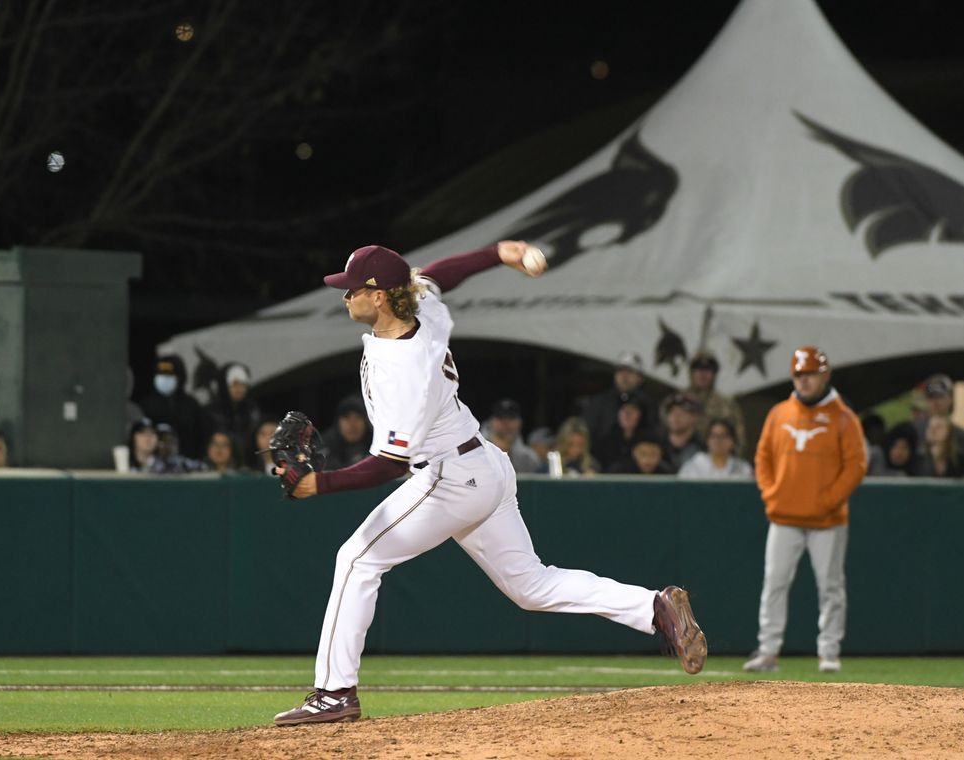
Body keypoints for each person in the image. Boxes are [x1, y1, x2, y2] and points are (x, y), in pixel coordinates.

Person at [272, 242, 706, 726]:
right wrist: (501, 251)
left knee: (356, 559)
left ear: (378, 296)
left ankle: (334, 693)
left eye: (351, 288)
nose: (343, 295)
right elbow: (440, 274)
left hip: (449, 477)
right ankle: (653, 606)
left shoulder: (406, 367)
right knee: (532, 585)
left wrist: (319, 484)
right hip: (484, 464)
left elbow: (390, 465)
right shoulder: (421, 306)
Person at [744, 346, 866, 675]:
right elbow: (762, 458)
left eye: (810, 374)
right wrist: (771, 494)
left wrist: (828, 501)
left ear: (825, 375)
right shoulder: (779, 413)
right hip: (784, 517)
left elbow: (856, 465)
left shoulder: (843, 417)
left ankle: (829, 651)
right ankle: (768, 650)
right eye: (799, 374)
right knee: (774, 583)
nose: (804, 380)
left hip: (827, 521)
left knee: (830, 586)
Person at [140, 355, 210, 459]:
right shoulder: (147, 405)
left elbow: (201, 437)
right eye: (160, 374)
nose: (164, 378)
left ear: (180, 377)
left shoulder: (191, 405)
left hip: (188, 464)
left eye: (169, 375)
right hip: (155, 466)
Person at [582, 351, 650, 445]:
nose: (624, 376)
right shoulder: (599, 402)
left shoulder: (648, 405)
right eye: (621, 370)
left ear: (640, 378)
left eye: (630, 371)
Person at [913, 374, 964, 469]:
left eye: (940, 396)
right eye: (931, 397)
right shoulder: (914, 433)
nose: (935, 402)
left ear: (951, 399)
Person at [685, 352, 747, 455]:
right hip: (685, 461)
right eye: (698, 369)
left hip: (719, 460)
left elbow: (739, 437)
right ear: (691, 373)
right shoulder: (677, 402)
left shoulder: (727, 404)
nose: (703, 374)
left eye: (708, 370)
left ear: (714, 375)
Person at [593, 392, 655, 472]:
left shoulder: (650, 440)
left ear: (640, 415)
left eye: (632, 411)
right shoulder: (605, 441)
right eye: (624, 410)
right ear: (618, 414)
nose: (627, 415)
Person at [678, 418, 753, 480]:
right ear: (707, 440)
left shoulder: (743, 468)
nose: (718, 441)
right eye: (713, 436)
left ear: (732, 441)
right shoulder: (695, 465)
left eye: (723, 436)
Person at [208, 363, 264, 445]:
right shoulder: (213, 414)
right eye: (234, 384)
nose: (239, 389)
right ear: (224, 385)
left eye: (243, 384)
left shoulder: (252, 410)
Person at [480, 399, 540, 474]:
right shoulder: (475, 450)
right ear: (491, 422)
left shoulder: (529, 458)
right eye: (500, 418)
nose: (506, 422)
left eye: (511, 418)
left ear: (519, 423)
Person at [321, 395, 373, 471]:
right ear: (338, 422)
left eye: (358, 417)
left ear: (367, 422)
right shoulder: (322, 449)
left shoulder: (377, 451)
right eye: (346, 417)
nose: (352, 424)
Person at [658, 392, 704, 474]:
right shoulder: (655, 442)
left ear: (695, 417)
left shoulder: (704, 446)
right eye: (671, 411)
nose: (676, 416)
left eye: (683, 412)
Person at [915, 415, 964, 479]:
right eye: (930, 427)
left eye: (938, 427)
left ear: (948, 431)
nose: (933, 430)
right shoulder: (917, 460)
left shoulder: (961, 461)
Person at [606, 432, 672, 475]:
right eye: (643, 454)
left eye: (653, 454)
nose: (647, 460)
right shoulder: (619, 473)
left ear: (661, 455)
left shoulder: (668, 475)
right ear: (634, 454)